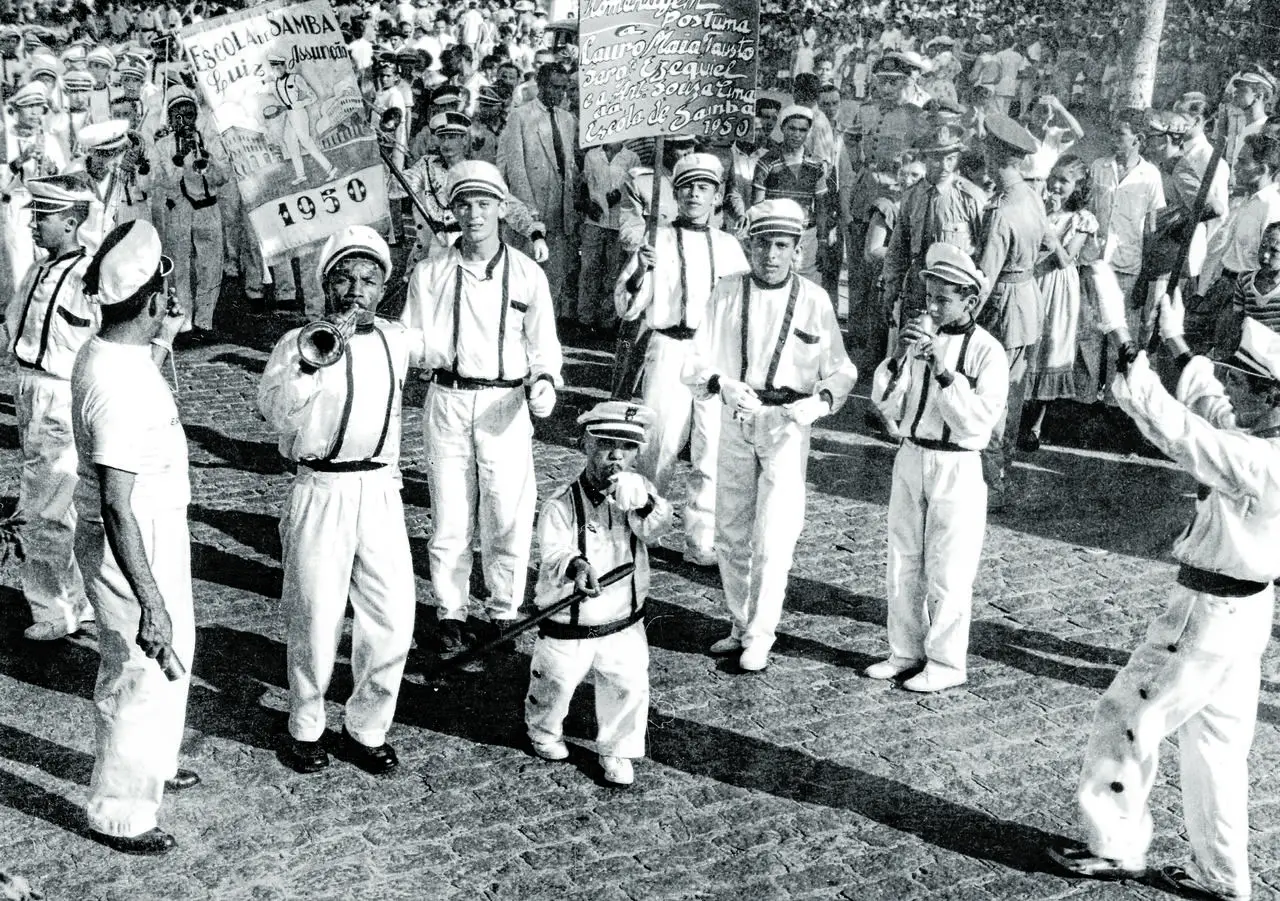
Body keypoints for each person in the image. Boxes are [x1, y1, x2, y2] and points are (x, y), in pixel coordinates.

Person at [1048, 294, 1280, 901]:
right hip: (1248, 614)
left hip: (1207, 614)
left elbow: (1184, 432)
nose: (1230, 390)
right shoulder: (1262, 439)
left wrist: (1128, 348)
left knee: (1126, 716)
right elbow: (1208, 405)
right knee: (1217, 749)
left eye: (1243, 383)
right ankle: (1225, 880)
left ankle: (1114, 846)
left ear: (1274, 397)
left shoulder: (1258, 460)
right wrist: (1173, 341)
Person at [258, 226, 428, 777]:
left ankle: (367, 727)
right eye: (345, 279)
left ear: (383, 288)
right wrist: (311, 364)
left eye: (369, 280)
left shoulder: (396, 339)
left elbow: (445, 327)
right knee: (314, 616)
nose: (356, 290)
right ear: (326, 284)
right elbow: (275, 411)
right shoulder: (296, 342)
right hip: (321, 489)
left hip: (380, 489)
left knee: (392, 617)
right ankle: (306, 725)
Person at [682, 199, 857, 672]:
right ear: (749, 246)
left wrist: (819, 402)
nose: (771, 255)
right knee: (730, 530)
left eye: (781, 245)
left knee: (774, 535)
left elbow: (841, 369)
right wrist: (721, 383)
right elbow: (694, 360)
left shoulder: (815, 300)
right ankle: (739, 625)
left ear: (797, 249)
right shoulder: (726, 291)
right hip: (737, 417)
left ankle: (761, 635)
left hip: (786, 425)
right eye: (762, 245)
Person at [400, 161, 562, 655]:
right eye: (464, 204)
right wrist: (404, 344)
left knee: (507, 512)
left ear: (501, 209)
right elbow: (412, 340)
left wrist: (545, 382)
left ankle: (503, 611)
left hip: (504, 405)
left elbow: (544, 346)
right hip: (447, 401)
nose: (474, 214)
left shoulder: (528, 274)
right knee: (450, 514)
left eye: (484, 204)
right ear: (452, 210)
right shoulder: (429, 273)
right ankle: (450, 612)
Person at [70, 219, 195, 856]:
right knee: (137, 669)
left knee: (174, 653)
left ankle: (155, 764)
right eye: (163, 296)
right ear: (151, 301)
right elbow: (117, 505)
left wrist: (161, 340)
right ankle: (119, 812)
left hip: (155, 525)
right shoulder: (115, 385)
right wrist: (149, 599)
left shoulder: (119, 352)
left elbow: (141, 366)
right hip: (132, 538)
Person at [866, 242, 1008, 692]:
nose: (931, 307)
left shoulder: (989, 352)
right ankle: (905, 651)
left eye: (942, 299)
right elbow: (885, 403)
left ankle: (946, 664)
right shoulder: (918, 343)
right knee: (902, 561)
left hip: (957, 466)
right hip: (911, 456)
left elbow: (977, 423)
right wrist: (897, 357)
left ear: (970, 301)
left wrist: (944, 372)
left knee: (949, 569)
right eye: (928, 297)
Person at [524, 401, 674, 787]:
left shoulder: (639, 494)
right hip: (570, 619)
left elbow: (657, 529)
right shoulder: (561, 504)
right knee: (556, 682)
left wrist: (646, 504)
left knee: (627, 684)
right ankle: (543, 730)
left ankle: (618, 748)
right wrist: (576, 566)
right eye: (606, 445)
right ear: (585, 445)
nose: (616, 456)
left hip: (624, 618)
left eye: (628, 447)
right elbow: (554, 551)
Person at [614, 153, 750, 566]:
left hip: (713, 355)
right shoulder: (656, 239)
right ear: (675, 194)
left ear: (717, 197)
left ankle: (701, 539)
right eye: (687, 187)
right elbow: (627, 307)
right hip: (668, 347)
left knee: (710, 448)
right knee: (660, 442)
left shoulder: (728, 247)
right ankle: (645, 526)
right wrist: (641, 271)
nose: (694, 194)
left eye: (704, 188)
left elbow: (742, 306)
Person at [4, 174, 98, 641]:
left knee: (44, 507)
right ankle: (80, 599)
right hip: (29, 389)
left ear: (71, 222)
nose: (33, 224)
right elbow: (13, 322)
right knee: (59, 504)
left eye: (43, 216)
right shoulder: (38, 269)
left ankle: (54, 608)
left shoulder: (89, 277)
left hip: (60, 394)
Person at [973, 112, 1049, 509]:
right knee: (1013, 395)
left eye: (987, 152)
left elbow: (984, 278)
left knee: (991, 394)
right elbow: (1054, 249)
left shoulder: (1001, 211)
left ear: (996, 156)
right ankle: (1002, 470)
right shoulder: (1031, 197)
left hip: (1002, 309)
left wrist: (962, 320)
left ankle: (989, 482)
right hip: (1027, 303)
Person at [1021, 156, 1098, 449]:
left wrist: (1048, 228)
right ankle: (1015, 417)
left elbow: (1065, 259)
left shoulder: (1081, 218)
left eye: (1064, 181)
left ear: (1078, 186)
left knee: (1050, 347)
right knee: (1025, 344)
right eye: (1053, 177)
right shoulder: (1036, 207)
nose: (1055, 185)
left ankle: (1036, 426)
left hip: (1057, 286)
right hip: (1030, 280)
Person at [496, 63, 579, 320]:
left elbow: (569, 167)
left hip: (560, 214)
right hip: (531, 212)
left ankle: (543, 329)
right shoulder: (520, 116)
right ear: (541, 86)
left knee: (553, 279)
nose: (560, 94)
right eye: (555, 87)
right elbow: (516, 170)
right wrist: (530, 217)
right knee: (523, 280)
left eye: (564, 88)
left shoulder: (568, 120)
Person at [149, 89, 227, 340]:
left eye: (189, 114)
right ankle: (184, 323)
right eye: (178, 116)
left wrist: (208, 160)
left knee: (210, 266)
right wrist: (180, 159)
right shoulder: (162, 146)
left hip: (208, 209)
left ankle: (205, 322)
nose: (184, 120)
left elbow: (223, 177)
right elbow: (164, 182)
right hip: (180, 210)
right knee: (179, 267)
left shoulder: (210, 139)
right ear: (171, 119)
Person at [751, 105, 831, 283]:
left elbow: (821, 207)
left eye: (802, 130)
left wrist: (822, 241)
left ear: (808, 132)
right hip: (775, 234)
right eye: (792, 128)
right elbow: (758, 206)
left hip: (806, 236)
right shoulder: (766, 162)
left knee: (807, 285)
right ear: (782, 128)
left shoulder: (816, 165)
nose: (797, 134)